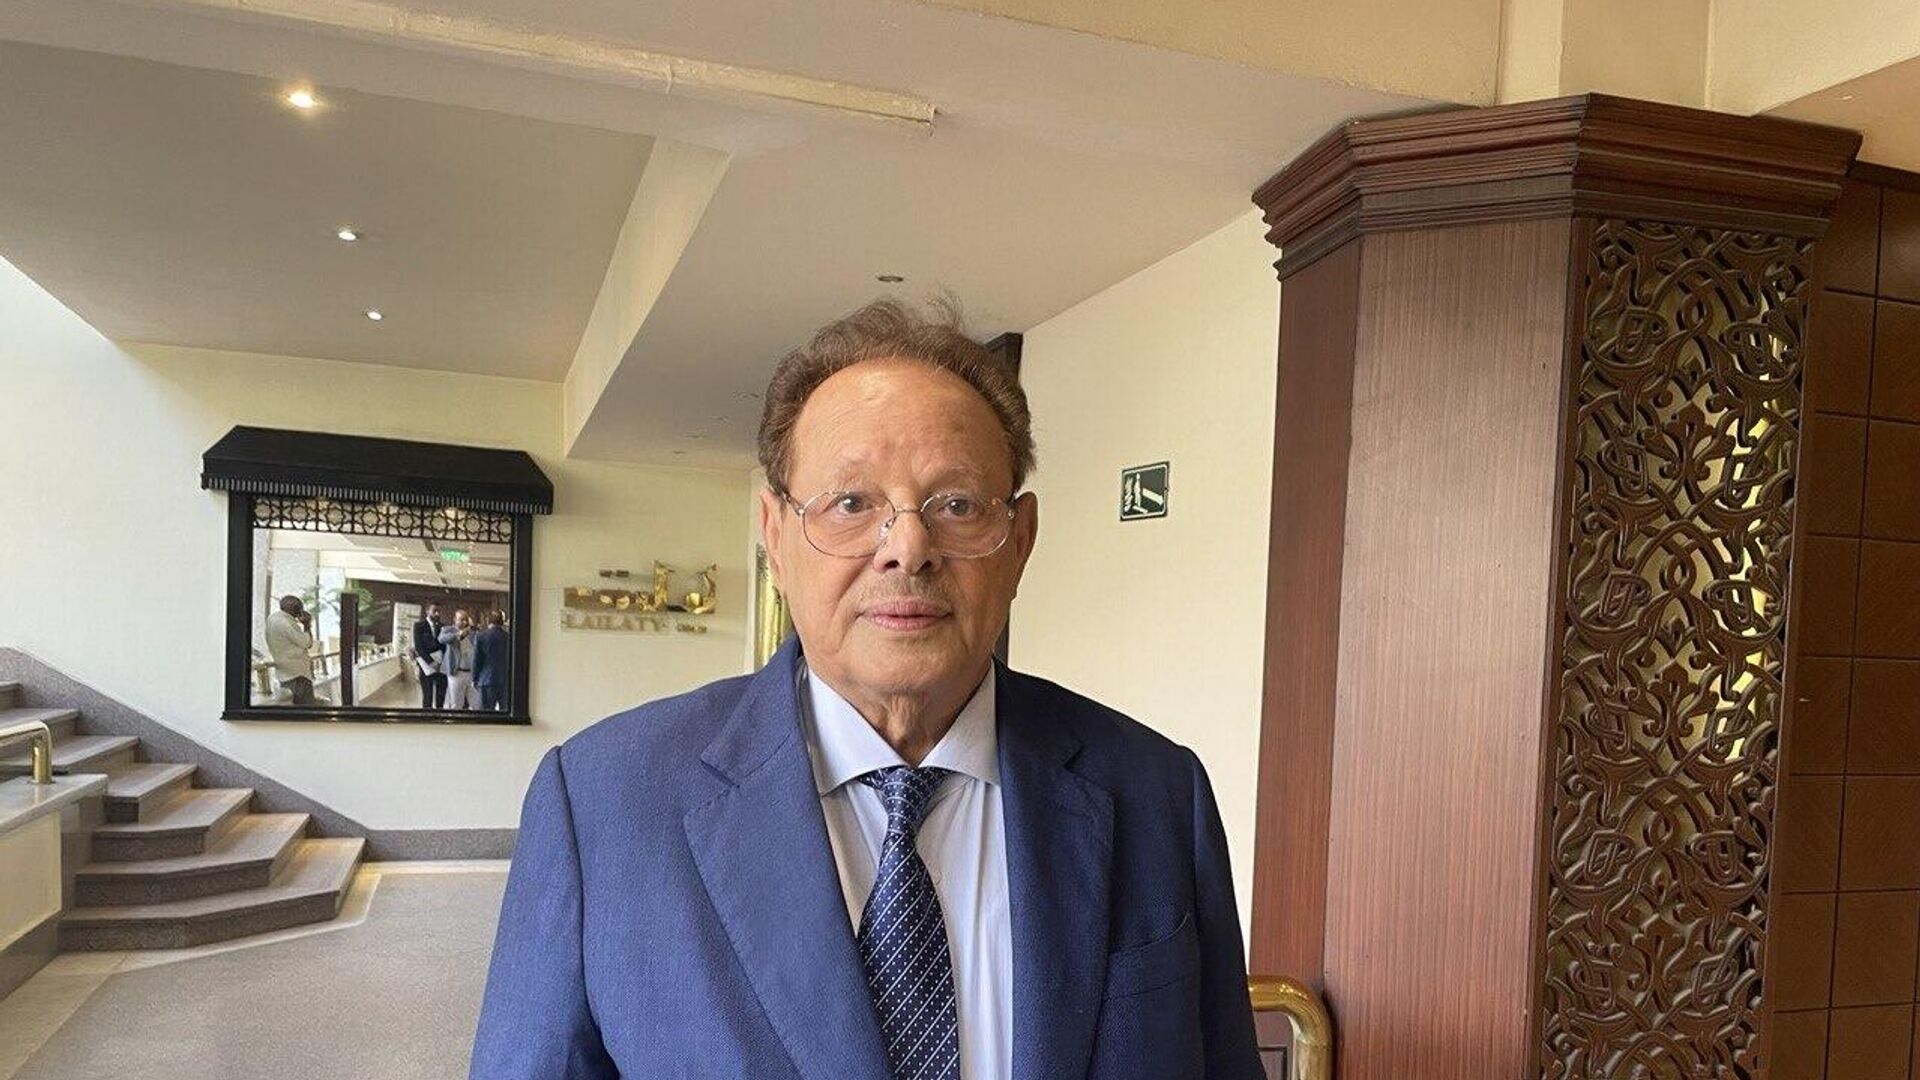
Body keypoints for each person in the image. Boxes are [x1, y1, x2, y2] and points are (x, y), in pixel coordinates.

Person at [471, 300, 1261, 1080]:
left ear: (1019, 541)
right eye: (851, 504)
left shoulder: (1157, 792)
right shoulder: (605, 804)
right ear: (775, 536)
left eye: (957, 505)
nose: (908, 548)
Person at [264, 594, 317, 706]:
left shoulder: (272, 618)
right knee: (307, 710)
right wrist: (307, 625)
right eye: (300, 608)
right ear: (296, 609)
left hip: (284, 673)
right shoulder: (287, 623)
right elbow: (307, 643)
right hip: (298, 675)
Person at [440, 609, 481, 710]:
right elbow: (441, 639)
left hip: (472, 673)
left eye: (466, 619)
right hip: (456, 673)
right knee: (456, 705)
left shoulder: (473, 633)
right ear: (455, 619)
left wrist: (471, 629)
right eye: (461, 619)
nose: (465, 622)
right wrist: (459, 634)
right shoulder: (448, 630)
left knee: (477, 704)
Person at [473, 611, 512, 712]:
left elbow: (477, 660)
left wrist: (474, 678)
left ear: (487, 621)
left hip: (486, 679)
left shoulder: (481, 636)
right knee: (505, 712)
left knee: (486, 713)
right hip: (505, 680)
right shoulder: (508, 637)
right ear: (502, 622)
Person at [412, 603, 447, 708]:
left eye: (439, 611)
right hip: (426, 665)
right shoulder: (419, 626)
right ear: (427, 611)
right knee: (427, 695)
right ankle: (427, 715)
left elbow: (445, 647)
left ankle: (439, 715)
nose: (437, 613)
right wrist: (431, 662)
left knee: (441, 694)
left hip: (441, 665)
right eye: (434, 611)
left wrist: (442, 662)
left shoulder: (443, 626)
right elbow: (419, 647)